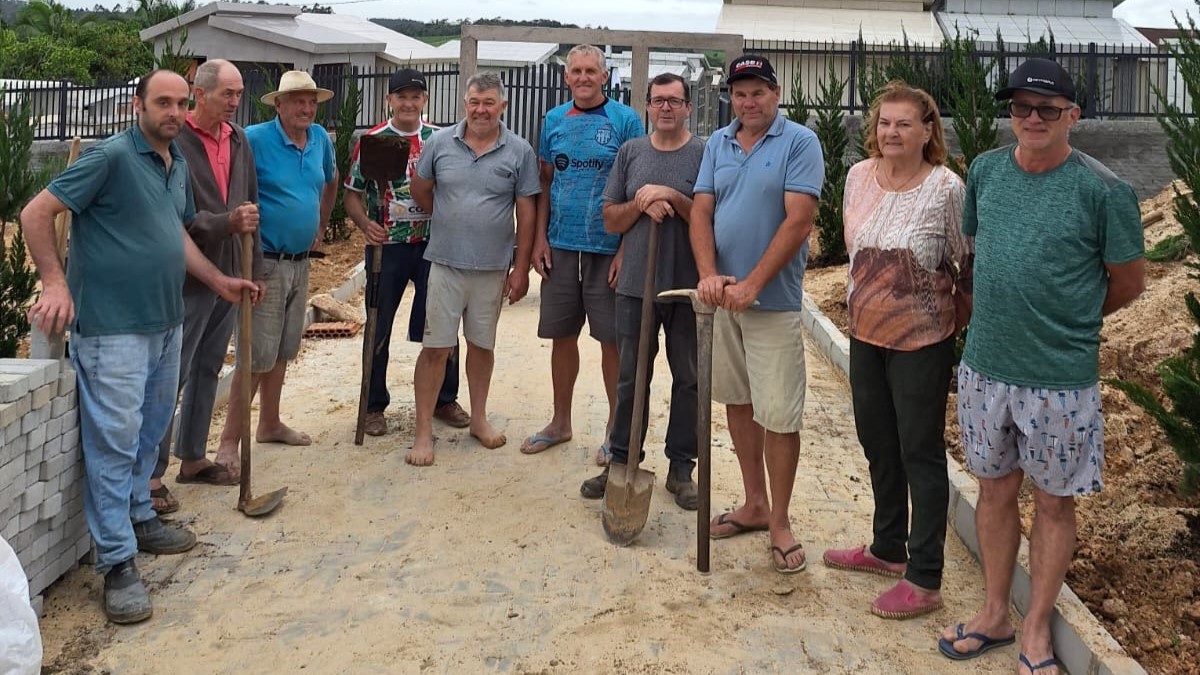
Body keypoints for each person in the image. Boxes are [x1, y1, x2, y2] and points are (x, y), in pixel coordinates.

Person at [20, 70, 258, 624]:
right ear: (137, 105)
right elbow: (36, 213)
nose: (174, 112)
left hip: (166, 321)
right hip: (113, 329)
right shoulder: (111, 157)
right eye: (163, 102)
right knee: (115, 442)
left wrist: (219, 283)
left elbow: (173, 235)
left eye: (180, 103)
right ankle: (117, 562)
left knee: (149, 433)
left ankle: (139, 516)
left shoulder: (172, 162)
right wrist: (55, 283)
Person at [938, 59, 1144, 674]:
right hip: (984, 370)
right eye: (1021, 107)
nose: (1031, 118)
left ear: (1072, 117)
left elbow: (1129, 283)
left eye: (1047, 109)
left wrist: (1072, 322)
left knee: (1054, 504)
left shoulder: (1104, 191)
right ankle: (995, 612)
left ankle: (1035, 632)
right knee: (995, 492)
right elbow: (975, 257)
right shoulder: (984, 173)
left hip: (1060, 380)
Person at [821, 82, 970, 619]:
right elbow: (854, 251)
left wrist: (956, 334)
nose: (892, 132)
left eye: (905, 124)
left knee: (920, 452)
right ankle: (888, 547)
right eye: (885, 123)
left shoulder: (947, 189)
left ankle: (925, 576)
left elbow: (964, 263)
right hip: (865, 334)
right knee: (878, 441)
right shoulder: (859, 178)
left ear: (928, 130)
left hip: (922, 343)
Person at [690, 55, 823, 574]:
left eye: (758, 92)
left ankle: (781, 520)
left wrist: (753, 284)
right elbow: (702, 208)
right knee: (739, 402)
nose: (748, 102)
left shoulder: (799, 143)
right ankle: (753, 502)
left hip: (773, 303)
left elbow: (799, 220)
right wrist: (710, 275)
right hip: (723, 300)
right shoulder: (718, 144)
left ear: (776, 92)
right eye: (740, 93)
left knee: (780, 414)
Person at [579, 73, 704, 510]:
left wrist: (671, 195)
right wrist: (641, 204)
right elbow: (611, 217)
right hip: (635, 286)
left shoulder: (704, 154)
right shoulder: (631, 152)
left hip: (687, 290)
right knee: (632, 377)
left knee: (688, 379)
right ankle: (622, 461)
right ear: (647, 107)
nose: (666, 108)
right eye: (658, 101)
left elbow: (712, 216)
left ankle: (682, 469)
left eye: (674, 101)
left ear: (688, 106)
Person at [406, 72, 540, 466]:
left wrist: (520, 268)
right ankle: (423, 432)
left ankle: (479, 419)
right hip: (445, 264)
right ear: (465, 104)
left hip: (492, 268)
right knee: (435, 348)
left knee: (482, 346)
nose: (481, 110)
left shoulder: (519, 151)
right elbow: (421, 187)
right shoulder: (439, 143)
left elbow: (526, 211)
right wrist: (447, 217)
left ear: (503, 106)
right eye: (474, 102)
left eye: (489, 103)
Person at [147, 59, 263, 515]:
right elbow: (175, 220)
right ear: (201, 93)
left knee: (209, 366)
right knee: (171, 374)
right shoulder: (177, 144)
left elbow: (250, 205)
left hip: (232, 271)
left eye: (238, 94)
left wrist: (256, 269)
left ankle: (193, 458)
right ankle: (152, 476)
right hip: (189, 276)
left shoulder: (238, 140)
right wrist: (225, 222)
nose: (235, 102)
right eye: (227, 94)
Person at [523, 44, 645, 462]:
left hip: (607, 249)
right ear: (566, 77)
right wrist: (539, 239)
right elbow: (543, 183)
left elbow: (636, 191)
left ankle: (615, 431)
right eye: (576, 70)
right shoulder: (553, 120)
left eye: (591, 70)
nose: (583, 77)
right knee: (561, 336)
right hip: (560, 245)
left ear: (605, 76)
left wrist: (626, 250)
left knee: (612, 341)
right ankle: (560, 422)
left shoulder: (626, 121)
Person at [215, 70, 338, 460]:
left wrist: (321, 221)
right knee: (255, 355)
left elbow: (330, 181)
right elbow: (230, 193)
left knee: (284, 349)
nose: (306, 108)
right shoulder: (253, 140)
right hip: (264, 262)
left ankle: (269, 422)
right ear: (279, 105)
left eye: (311, 102)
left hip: (301, 263)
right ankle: (229, 444)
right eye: (298, 101)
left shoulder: (320, 138)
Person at [344, 68, 470, 438]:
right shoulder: (373, 140)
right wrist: (365, 224)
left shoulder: (440, 139)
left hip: (434, 246)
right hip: (389, 247)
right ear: (389, 100)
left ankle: (445, 398)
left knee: (442, 323)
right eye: (401, 96)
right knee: (378, 323)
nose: (408, 103)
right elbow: (352, 193)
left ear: (425, 101)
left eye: (415, 96)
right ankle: (372, 404)